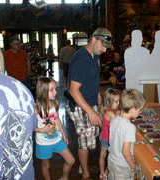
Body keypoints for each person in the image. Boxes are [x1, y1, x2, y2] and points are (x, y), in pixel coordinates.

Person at [0, 14, 37, 179]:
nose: (18, 45)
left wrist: (27, 75)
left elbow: (28, 64)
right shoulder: (6, 54)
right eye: (16, 43)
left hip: (19, 83)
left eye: (19, 43)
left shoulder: (23, 54)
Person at [66, 27, 114, 180]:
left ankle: (82, 165)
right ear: (94, 39)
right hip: (80, 105)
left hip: (90, 101)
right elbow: (73, 90)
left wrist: (97, 93)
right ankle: (85, 173)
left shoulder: (95, 55)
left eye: (107, 46)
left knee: (91, 138)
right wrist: (91, 112)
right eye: (103, 45)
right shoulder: (82, 59)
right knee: (85, 141)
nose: (105, 50)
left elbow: (92, 78)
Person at [108, 89, 160, 180]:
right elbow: (126, 152)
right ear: (132, 110)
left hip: (111, 160)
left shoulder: (114, 119)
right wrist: (132, 165)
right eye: (140, 110)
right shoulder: (130, 127)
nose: (140, 112)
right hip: (122, 166)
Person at [34, 77, 75, 180]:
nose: (55, 92)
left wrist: (64, 135)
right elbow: (30, 127)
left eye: (55, 89)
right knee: (46, 165)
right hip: (43, 143)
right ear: (43, 91)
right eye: (52, 90)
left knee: (71, 160)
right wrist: (43, 130)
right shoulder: (36, 108)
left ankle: (64, 178)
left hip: (57, 139)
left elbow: (57, 120)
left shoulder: (55, 103)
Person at [98, 88, 121, 179]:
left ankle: (101, 173)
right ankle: (106, 174)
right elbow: (119, 123)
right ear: (108, 102)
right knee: (112, 159)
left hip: (103, 137)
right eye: (116, 101)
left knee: (102, 156)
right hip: (109, 140)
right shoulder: (111, 113)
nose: (118, 104)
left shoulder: (103, 109)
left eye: (119, 101)